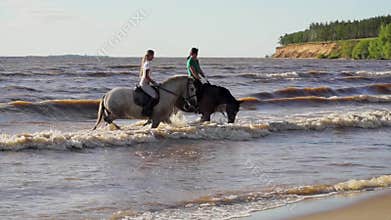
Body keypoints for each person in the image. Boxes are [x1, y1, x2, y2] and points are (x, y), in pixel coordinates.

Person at [139, 49, 158, 116]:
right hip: (144, 84)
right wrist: (154, 82)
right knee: (155, 96)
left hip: (146, 83)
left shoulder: (146, 63)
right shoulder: (148, 64)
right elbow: (146, 77)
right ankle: (147, 111)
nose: (153, 57)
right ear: (149, 56)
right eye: (152, 55)